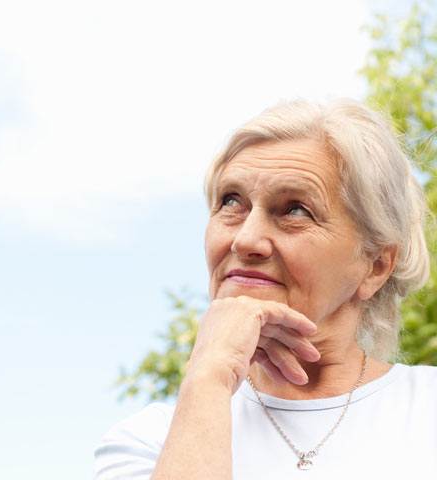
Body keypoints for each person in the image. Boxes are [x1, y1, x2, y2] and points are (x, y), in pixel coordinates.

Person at [94, 99, 437, 479]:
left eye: (294, 210)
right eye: (230, 202)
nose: (246, 239)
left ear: (374, 266)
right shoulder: (150, 440)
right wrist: (209, 376)